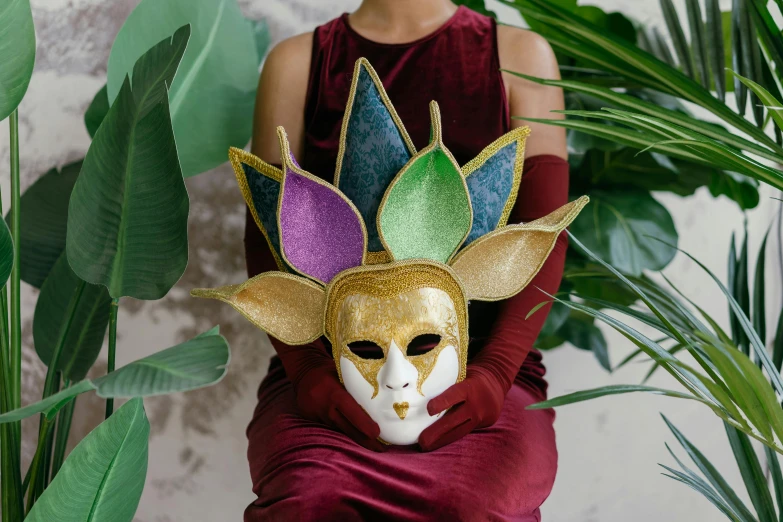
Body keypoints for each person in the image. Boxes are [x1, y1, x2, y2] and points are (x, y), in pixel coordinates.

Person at [243, 1, 568, 520]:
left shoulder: (520, 55)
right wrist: (306, 372)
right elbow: (267, 236)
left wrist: (496, 372)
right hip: (334, 371)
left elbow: (545, 234)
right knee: (309, 499)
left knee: (476, 503)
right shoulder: (297, 62)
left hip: (486, 368)